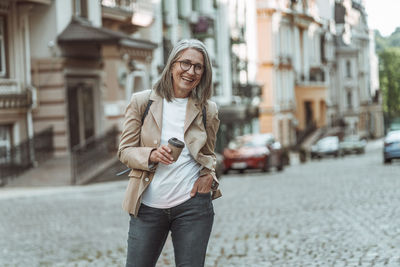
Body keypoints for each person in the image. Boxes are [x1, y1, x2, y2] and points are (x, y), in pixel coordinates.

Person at [118, 39, 221, 267]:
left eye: (198, 67)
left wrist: (209, 174)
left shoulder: (208, 110)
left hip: (192, 207)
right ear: (172, 65)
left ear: (203, 73)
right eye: (185, 63)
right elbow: (124, 151)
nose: (190, 71)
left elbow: (209, 154)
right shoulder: (142, 102)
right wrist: (152, 154)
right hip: (147, 206)